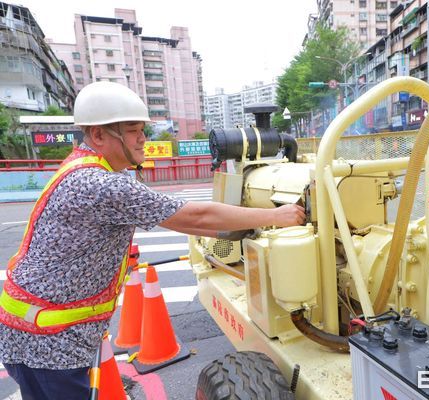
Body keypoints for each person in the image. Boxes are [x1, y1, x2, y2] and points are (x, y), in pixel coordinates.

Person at [0, 81, 305, 399]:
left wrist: (237, 230)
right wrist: (275, 216)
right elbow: (194, 217)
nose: (143, 138)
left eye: (142, 129)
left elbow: (185, 222)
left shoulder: (86, 169)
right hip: (48, 344)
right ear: (99, 135)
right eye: (132, 131)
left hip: (37, 331)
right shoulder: (99, 185)